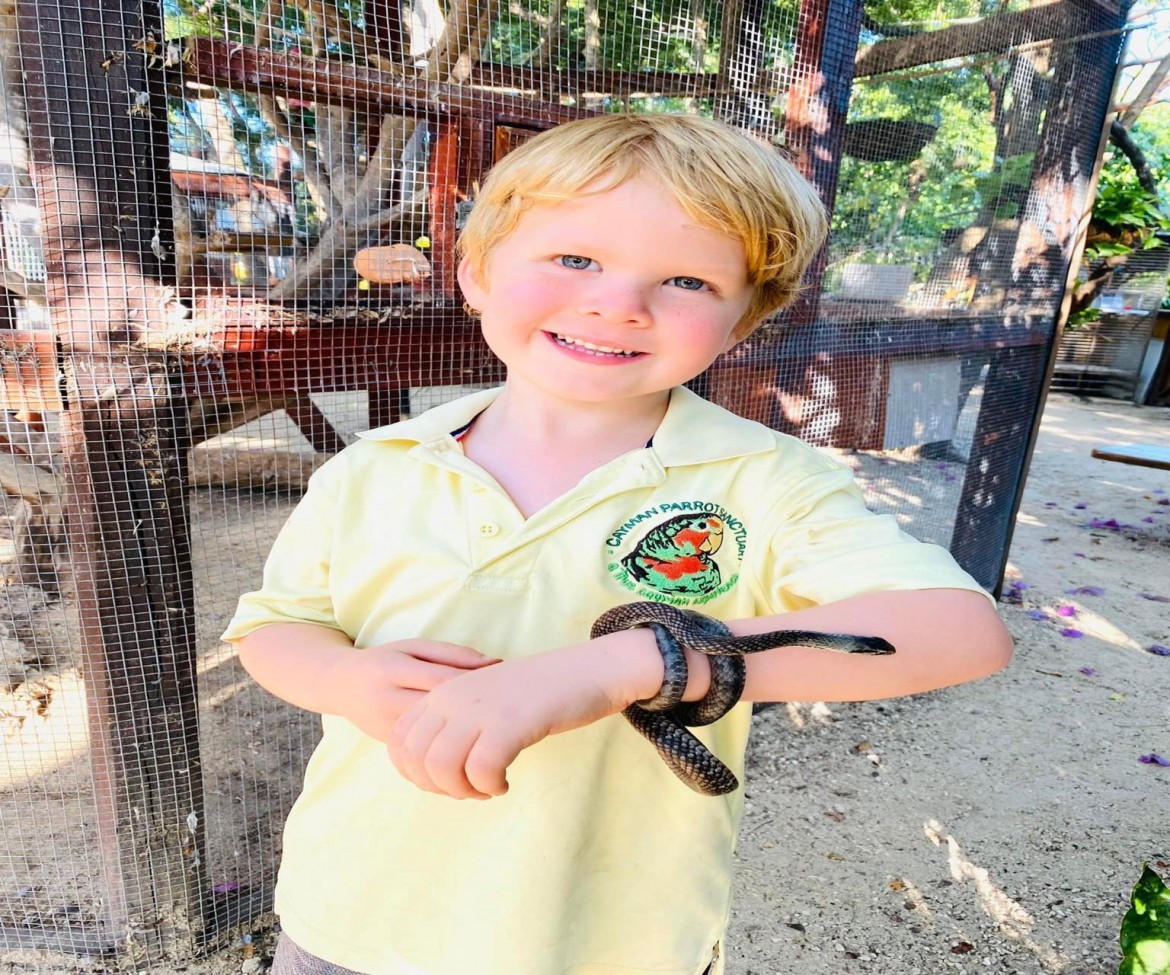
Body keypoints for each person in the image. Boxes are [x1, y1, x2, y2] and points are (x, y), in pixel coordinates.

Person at [223, 113, 1013, 975]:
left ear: (744, 320)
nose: (618, 303)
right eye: (574, 259)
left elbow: (962, 632)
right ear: (477, 271)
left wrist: (631, 666)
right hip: (353, 916)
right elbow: (274, 629)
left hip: (611, 943)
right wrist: (342, 676)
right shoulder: (374, 468)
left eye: (686, 279)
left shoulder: (763, 477)